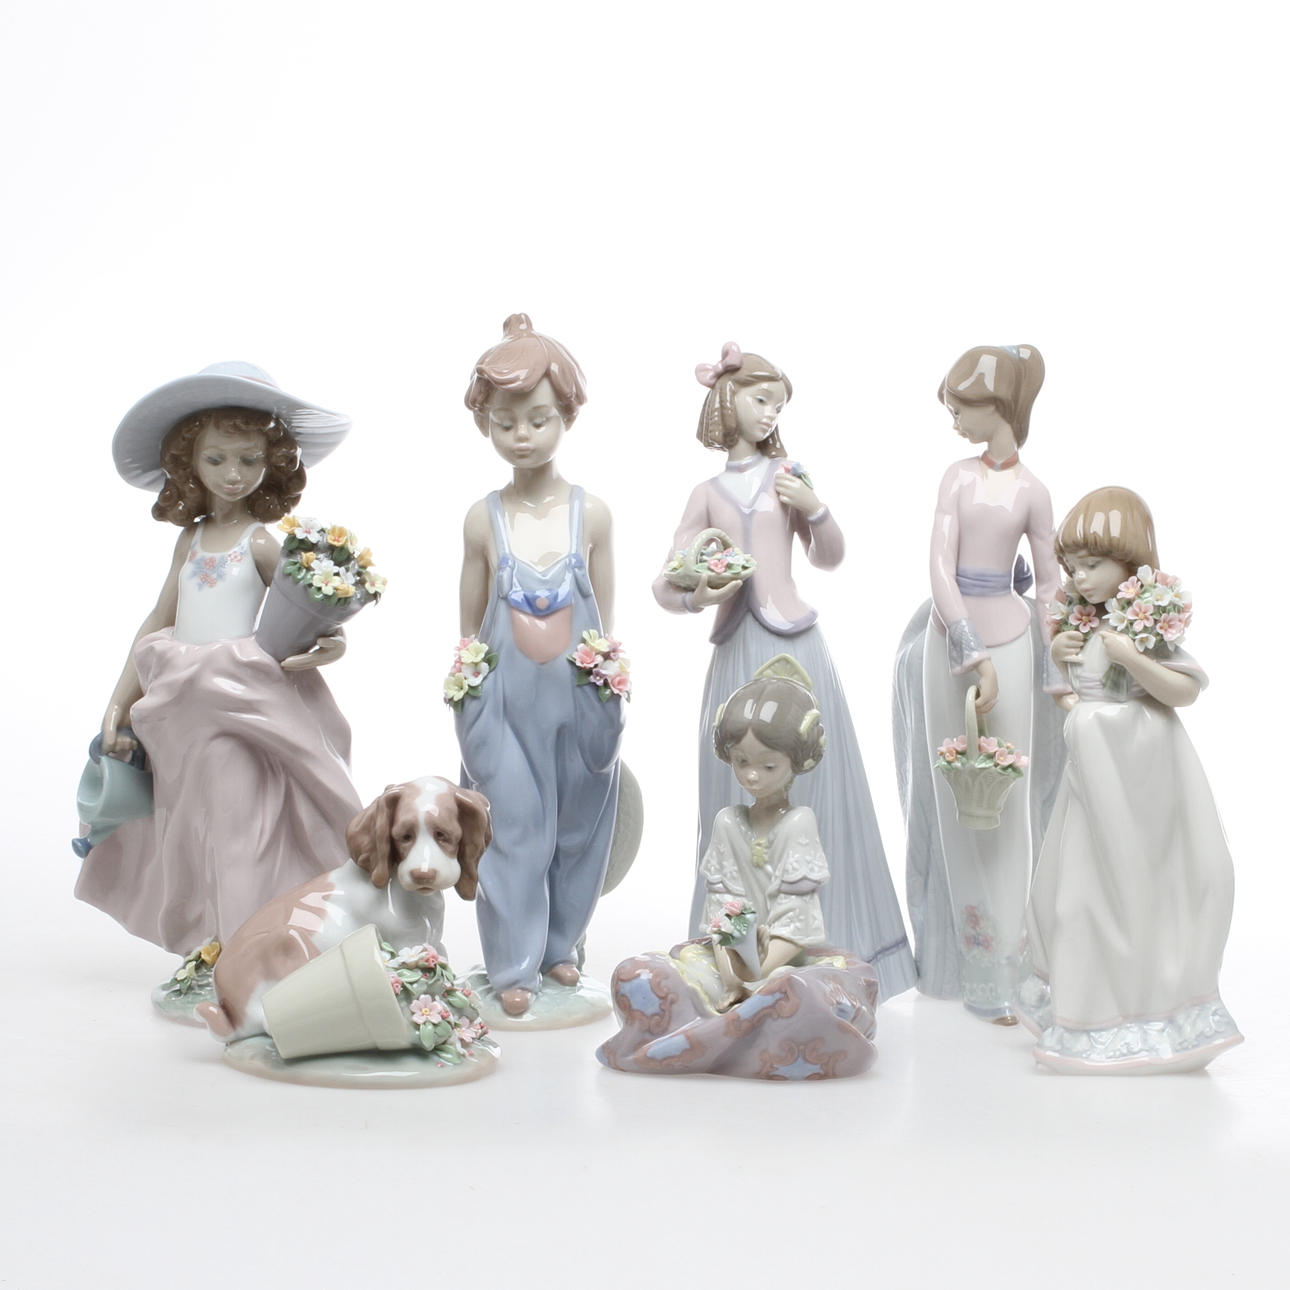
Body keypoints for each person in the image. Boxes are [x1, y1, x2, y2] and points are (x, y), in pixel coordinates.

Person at [654, 344, 914, 1001]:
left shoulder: (788, 476)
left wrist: (815, 507)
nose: (771, 414)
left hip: (795, 641)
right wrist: (697, 593)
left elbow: (830, 556)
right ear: (727, 401)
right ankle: (737, 954)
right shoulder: (705, 494)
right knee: (736, 777)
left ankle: (832, 943)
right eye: (761, 399)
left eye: (779, 404)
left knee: (814, 780)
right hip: (736, 646)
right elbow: (667, 581)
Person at [76, 362, 360, 958]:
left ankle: (243, 950)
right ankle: (214, 943)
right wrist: (118, 701)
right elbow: (159, 619)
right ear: (190, 464)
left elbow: (304, 608)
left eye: (249, 461)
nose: (234, 475)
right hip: (182, 707)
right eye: (217, 459)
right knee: (190, 826)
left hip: (240, 701)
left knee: (239, 827)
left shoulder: (260, 542)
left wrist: (331, 641)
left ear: (270, 464)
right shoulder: (191, 540)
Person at [1016, 487, 1242, 1072]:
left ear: (1130, 562)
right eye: (1073, 567)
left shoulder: (1143, 626)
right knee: (1080, 889)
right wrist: (1061, 657)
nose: (1080, 578)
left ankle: (1154, 1010)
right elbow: (1074, 695)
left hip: (1145, 769)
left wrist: (1131, 657)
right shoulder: (1080, 625)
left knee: (1150, 881)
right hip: (1094, 774)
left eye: (1093, 564)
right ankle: (1086, 1010)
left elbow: (1184, 691)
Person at [596, 659, 879, 1080]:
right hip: (728, 965)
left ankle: (710, 1037)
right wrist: (732, 980)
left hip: (784, 965)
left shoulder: (798, 822)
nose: (751, 776)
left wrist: (757, 977)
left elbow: (796, 922)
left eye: (768, 766)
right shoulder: (729, 822)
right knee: (637, 974)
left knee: (799, 994)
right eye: (741, 761)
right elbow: (723, 913)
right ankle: (737, 1030)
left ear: (796, 761)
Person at [892, 344, 1068, 1019]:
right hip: (952, 643)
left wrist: (1056, 667)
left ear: (999, 406)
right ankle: (972, 962)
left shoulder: (1033, 492)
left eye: (962, 407)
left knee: (1009, 802)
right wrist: (973, 650)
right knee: (956, 797)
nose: (955, 421)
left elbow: (1048, 584)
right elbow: (940, 568)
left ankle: (1013, 959)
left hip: (1015, 641)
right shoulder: (957, 479)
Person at [456, 314, 622, 1020]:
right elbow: (469, 626)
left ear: (567, 417)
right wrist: (469, 693)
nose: (521, 435)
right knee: (512, 826)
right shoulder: (482, 519)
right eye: (505, 422)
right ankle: (512, 962)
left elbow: (603, 619)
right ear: (485, 424)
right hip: (504, 703)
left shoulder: (593, 515)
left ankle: (561, 945)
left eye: (538, 419)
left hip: (578, 698)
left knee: (579, 828)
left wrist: (606, 685)